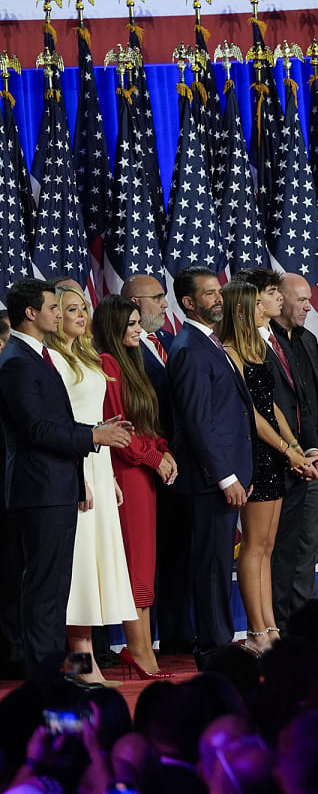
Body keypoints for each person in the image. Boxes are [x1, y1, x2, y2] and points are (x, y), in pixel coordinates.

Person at [0, 280, 130, 675]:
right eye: (52, 308)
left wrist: (93, 431)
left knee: (57, 589)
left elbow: (55, 422)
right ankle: (43, 676)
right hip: (38, 489)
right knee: (44, 588)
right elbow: (36, 429)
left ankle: (61, 671)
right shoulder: (18, 361)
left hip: (56, 484)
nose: (59, 313)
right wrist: (94, 435)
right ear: (30, 314)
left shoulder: (37, 356)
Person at [220, 279, 318, 654]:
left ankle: (270, 627)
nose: (268, 303)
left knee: (268, 546)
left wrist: (295, 447)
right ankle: (255, 631)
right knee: (253, 547)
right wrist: (289, 452)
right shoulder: (230, 351)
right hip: (254, 455)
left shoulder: (256, 347)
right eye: (260, 301)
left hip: (274, 455)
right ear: (245, 308)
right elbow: (252, 415)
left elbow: (271, 406)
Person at [45, 284, 138, 685]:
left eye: (83, 308)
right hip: (75, 470)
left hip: (98, 469)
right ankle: (81, 667)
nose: (80, 315)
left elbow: (97, 420)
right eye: (70, 309)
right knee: (78, 572)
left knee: (95, 566)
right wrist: (82, 476)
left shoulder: (87, 355)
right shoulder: (52, 360)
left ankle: (88, 665)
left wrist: (109, 475)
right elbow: (64, 426)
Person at [167, 266, 255, 668]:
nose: (219, 298)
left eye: (219, 292)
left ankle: (217, 642)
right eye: (210, 294)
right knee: (211, 567)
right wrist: (226, 476)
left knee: (219, 564)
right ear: (188, 303)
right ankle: (213, 650)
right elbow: (197, 421)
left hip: (223, 477)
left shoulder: (209, 343)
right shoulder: (188, 348)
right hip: (207, 482)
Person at [92, 295, 178, 680]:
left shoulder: (133, 363)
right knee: (134, 570)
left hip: (145, 476)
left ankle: (142, 650)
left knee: (144, 568)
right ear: (112, 328)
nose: (137, 329)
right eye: (129, 324)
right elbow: (119, 431)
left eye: (137, 322)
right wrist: (152, 457)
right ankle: (138, 652)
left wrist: (164, 451)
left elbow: (145, 422)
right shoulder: (107, 364)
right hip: (126, 476)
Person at [123, 272, 191, 654]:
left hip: (179, 463)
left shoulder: (167, 340)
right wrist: (156, 454)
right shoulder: (120, 351)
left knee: (180, 550)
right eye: (158, 297)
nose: (166, 304)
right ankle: (141, 643)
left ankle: (178, 634)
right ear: (134, 303)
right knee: (149, 556)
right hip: (143, 467)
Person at [270, 274, 318, 627]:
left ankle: (304, 617)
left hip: (316, 457)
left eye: (310, 299)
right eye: (301, 300)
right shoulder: (263, 344)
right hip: (283, 460)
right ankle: (280, 620)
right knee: (282, 546)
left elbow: (313, 402)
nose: (309, 306)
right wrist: (295, 452)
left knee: (310, 541)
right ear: (279, 300)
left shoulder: (309, 339)